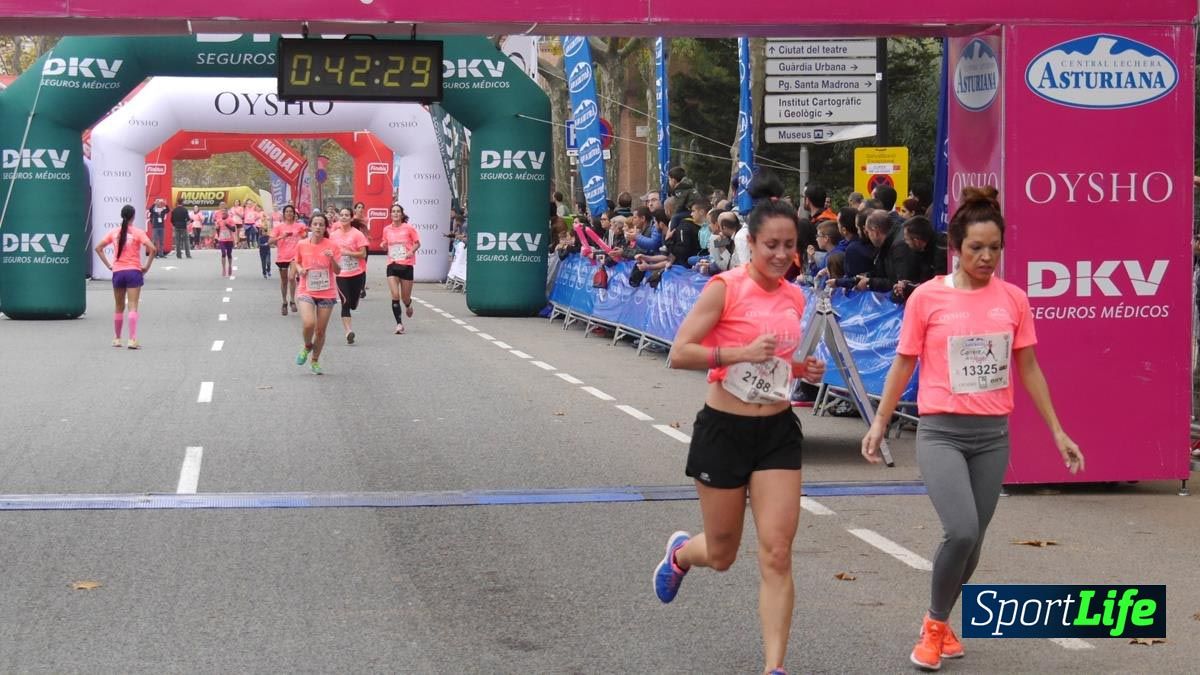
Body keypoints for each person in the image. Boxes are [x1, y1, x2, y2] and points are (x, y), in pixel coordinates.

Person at [861, 186, 1085, 672]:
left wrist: (1057, 431)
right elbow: (903, 364)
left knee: (974, 541)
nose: (986, 257)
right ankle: (934, 624)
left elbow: (1028, 368)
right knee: (960, 529)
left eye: (994, 248)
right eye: (976, 248)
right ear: (956, 249)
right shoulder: (928, 298)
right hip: (941, 431)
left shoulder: (1014, 300)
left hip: (992, 436)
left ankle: (939, 624)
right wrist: (880, 422)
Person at [654, 193, 827, 675]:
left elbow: (777, 360)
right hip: (724, 431)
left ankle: (774, 667)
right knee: (724, 551)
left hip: (776, 432)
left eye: (789, 245)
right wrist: (738, 353)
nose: (780, 254)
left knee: (776, 550)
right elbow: (681, 352)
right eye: (771, 243)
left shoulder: (795, 294)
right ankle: (682, 554)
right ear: (751, 242)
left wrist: (800, 367)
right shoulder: (724, 289)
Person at [95, 205, 155, 349]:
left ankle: (117, 338)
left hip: (118, 271)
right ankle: (132, 339)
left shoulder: (114, 232)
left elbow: (98, 248)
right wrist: (146, 266)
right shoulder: (138, 233)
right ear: (133, 216)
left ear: (122, 216)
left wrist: (109, 265)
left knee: (118, 306)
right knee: (133, 305)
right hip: (133, 270)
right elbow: (153, 249)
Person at [290, 214, 341, 375]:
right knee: (308, 324)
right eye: (315, 224)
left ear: (325, 227)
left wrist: (332, 259)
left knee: (320, 331)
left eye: (321, 224)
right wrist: (299, 269)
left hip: (327, 291)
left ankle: (315, 360)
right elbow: (295, 261)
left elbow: (338, 271)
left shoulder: (332, 246)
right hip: (307, 289)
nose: (318, 227)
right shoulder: (302, 244)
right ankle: (307, 345)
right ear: (310, 227)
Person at [330, 207, 369, 344]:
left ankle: (356, 299)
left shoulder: (357, 234)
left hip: (356, 272)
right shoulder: (333, 235)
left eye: (347, 215)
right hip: (341, 273)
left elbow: (363, 254)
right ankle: (348, 332)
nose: (344, 217)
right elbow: (330, 251)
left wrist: (348, 253)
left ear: (351, 218)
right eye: (342, 215)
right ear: (339, 217)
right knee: (345, 302)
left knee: (353, 304)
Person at [381, 203, 421, 334]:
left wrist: (411, 252)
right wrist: (383, 245)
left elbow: (417, 243)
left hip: (406, 265)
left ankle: (408, 305)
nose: (396, 214)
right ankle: (399, 324)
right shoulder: (387, 229)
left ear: (402, 214)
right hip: (392, 265)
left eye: (398, 211)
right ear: (390, 214)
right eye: (393, 211)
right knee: (395, 295)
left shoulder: (408, 228)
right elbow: (385, 243)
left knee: (405, 297)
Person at [269, 205, 307, 316]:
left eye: (291, 212)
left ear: (294, 214)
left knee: (291, 277)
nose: (289, 213)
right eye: (287, 212)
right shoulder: (279, 227)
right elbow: (270, 241)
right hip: (282, 256)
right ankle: (284, 301)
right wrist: (281, 237)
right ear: (284, 214)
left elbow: (305, 238)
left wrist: (303, 235)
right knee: (284, 280)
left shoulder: (300, 225)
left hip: (295, 256)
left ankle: (292, 301)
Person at [214, 206, 237, 277]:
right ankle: (224, 269)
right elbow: (217, 230)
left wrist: (227, 224)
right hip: (222, 239)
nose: (223, 213)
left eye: (225, 212)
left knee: (229, 254)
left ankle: (229, 266)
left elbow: (233, 229)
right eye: (222, 212)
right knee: (223, 253)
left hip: (229, 239)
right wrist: (218, 236)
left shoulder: (230, 220)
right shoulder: (219, 220)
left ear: (227, 212)